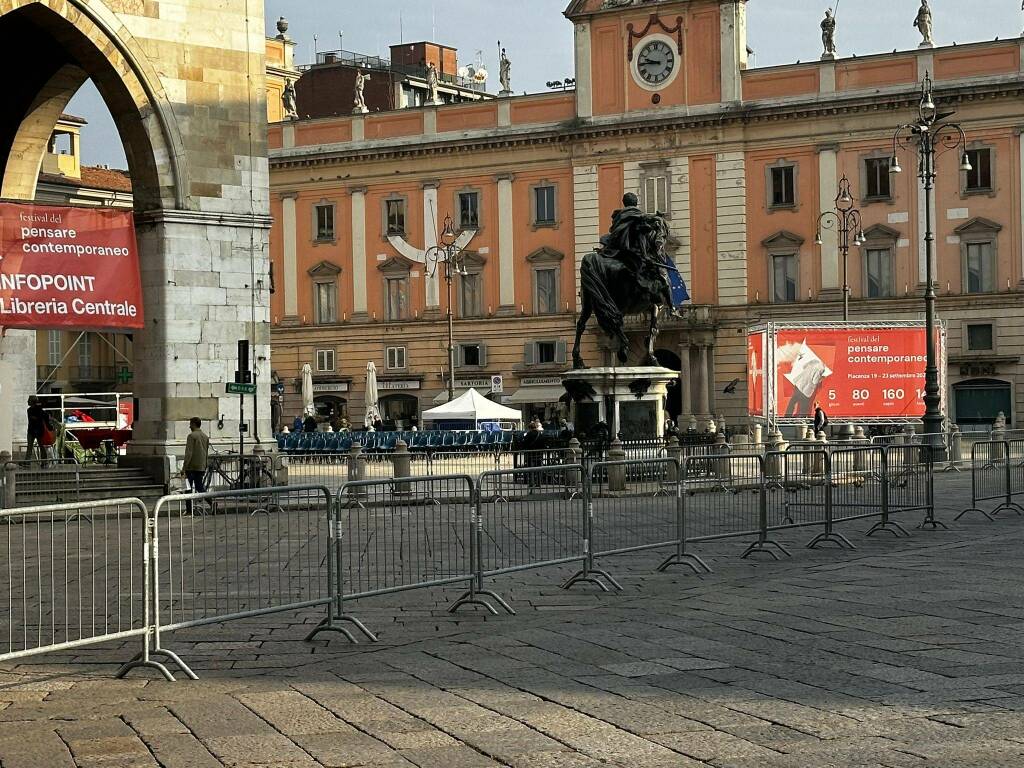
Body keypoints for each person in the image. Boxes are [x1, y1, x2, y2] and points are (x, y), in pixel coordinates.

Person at [182, 417, 210, 498]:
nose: (189, 426)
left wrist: (184, 467)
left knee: (187, 489)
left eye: (190, 424)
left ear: (194, 424)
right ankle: (211, 502)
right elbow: (206, 452)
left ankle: (189, 509)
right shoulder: (205, 436)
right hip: (201, 467)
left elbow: (189, 453)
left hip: (191, 467)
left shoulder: (191, 436)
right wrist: (205, 465)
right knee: (199, 487)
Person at [25, 396, 50, 464]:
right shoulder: (38, 410)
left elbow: (35, 419)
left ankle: (28, 462)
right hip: (37, 431)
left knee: (32, 447)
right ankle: (44, 462)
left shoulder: (31, 410)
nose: (27, 402)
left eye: (29, 401)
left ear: (32, 402)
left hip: (34, 431)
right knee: (41, 447)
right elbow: (46, 417)